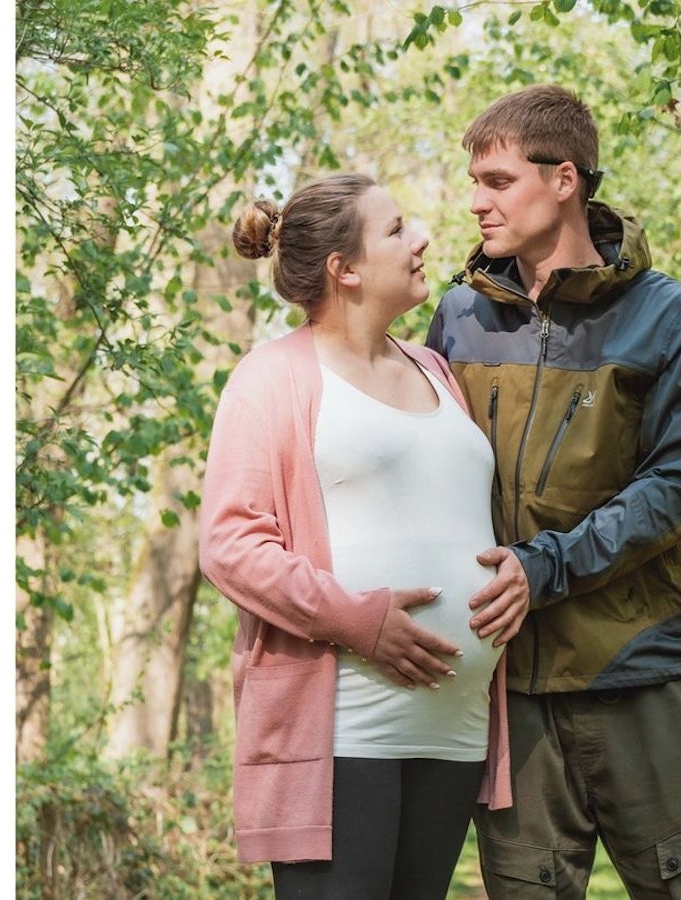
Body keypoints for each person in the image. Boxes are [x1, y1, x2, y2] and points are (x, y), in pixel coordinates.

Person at [425, 85, 681, 899]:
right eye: (475, 182)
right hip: (510, 692)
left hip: (639, 676)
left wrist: (545, 568)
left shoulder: (673, 319)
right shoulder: (458, 318)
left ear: (564, 178)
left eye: (497, 181)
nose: (476, 203)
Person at [198, 173, 528, 899]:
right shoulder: (272, 376)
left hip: (453, 728)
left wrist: (515, 575)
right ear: (343, 270)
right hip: (346, 731)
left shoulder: (437, 370)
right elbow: (231, 544)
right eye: (397, 230)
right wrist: (360, 622)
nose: (423, 240)